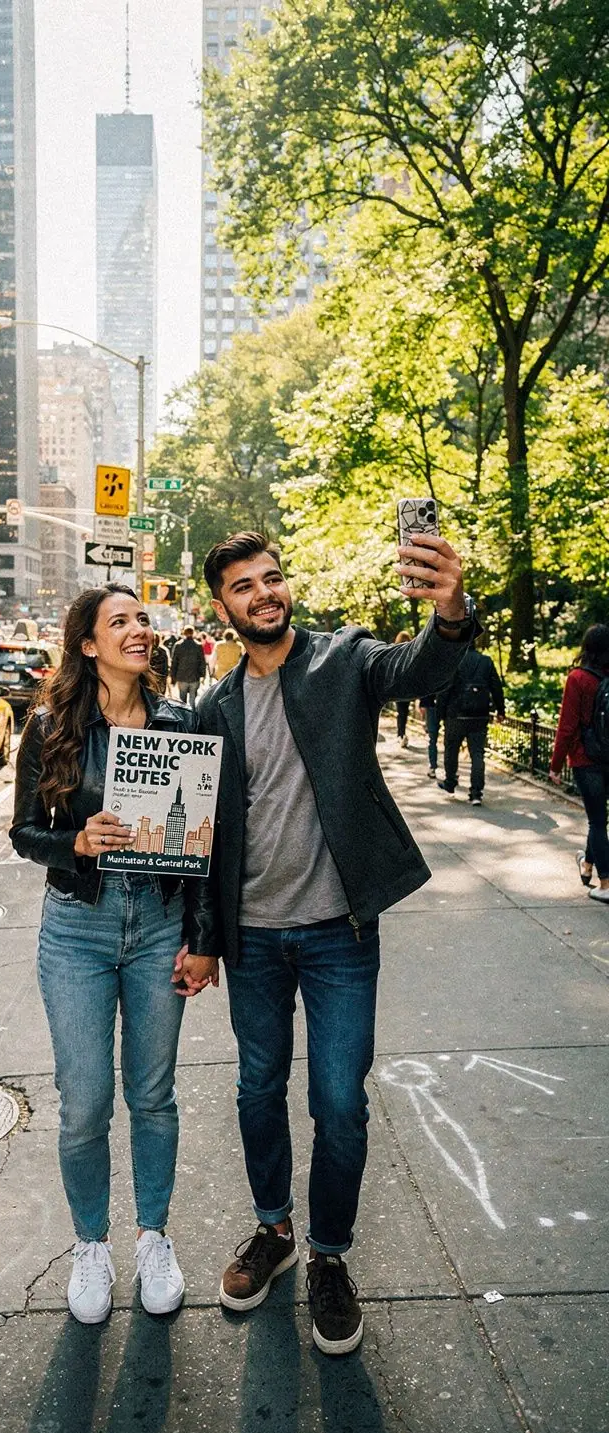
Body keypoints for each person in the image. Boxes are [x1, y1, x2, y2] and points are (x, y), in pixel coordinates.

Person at [196, 530, 476, 1356]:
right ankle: (275, 1232)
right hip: (251, 942)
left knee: (341, 1103)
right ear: (224, 607)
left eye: (272, 578)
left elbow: (422, 667)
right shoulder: (214, 708)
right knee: (256, 1091)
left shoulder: (343, 660)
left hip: (338, 934)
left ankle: (330, 1257)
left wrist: (450, 608)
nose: (263, 594)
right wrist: (204, 941)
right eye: (244, 586)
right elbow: (202, 837)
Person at [10, 584, 219, 1325]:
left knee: (153, 1095)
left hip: (160, 924)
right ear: (89, 644)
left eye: (142, 618)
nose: (139, 628)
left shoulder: (180, 722)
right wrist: (74, 840)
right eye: (119, 621)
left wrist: (203, 939)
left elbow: (201, 845)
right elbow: (23, 832)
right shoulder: (51, 726)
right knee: (86, 1101)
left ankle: (153, 1238)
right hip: (78, 927)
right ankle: (90, 1245)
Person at [549, 623, 609, 902]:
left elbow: (567, 727)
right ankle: (587, 867)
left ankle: (606, 884)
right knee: (597, 819)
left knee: (597, 821)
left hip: (587, 760)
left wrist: (555, 764)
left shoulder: (578, 678)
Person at [436, 639, 505, 804]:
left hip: (456, 715)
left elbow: (444, 690)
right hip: (479, 716)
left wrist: (439, 715)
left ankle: (450, 783)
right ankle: (476, 793)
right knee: (477, 753)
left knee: (451, 750)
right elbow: (496, 687)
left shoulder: (453, 662)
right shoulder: (486, 662)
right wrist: (500, 710)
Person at [170, 624, 207, 709]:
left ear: (184, 633)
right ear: (193, 633)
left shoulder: (178, 645)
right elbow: (202, 661)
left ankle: (184, 717)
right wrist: (203, 675)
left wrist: (173, 676)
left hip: (181, 676)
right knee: (192, 699)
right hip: (194, 676)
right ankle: (193, 717)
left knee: (182, 701)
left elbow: (174, 662)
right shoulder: (198, 645)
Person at [393, 631, 412, 746]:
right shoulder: (410, 651)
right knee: (404, 711)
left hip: (398, 686)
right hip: (407, 686)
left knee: (401, 712)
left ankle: (400, 734)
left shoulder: (395, 651)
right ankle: (401, 733)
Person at [419, 694, 441, 778]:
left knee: (432, 739)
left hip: (432, 705)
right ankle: (451, 772)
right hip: (447, 705)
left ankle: (433, 767)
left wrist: (423, 704)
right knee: (451, 742)